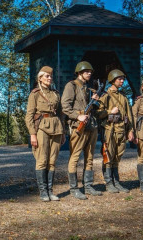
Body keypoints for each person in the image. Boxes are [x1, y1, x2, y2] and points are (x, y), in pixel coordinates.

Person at [61, 61, 102, 200]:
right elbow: (65, 107)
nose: (89, 73)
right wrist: (78, 116)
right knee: (75, 158)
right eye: (86, 71)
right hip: (78, 126)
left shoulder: (89, 89)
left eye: (90, 71)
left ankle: (88, 186)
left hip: (91, 126)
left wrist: (96, 101)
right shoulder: (71, 86)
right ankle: (74, 188)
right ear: (79, 72)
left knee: (89, 158)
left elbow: (96, 109)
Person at [25, 66, 65, 202]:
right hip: (42, 127)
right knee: (42, 160)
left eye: (50, 76)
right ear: (40, 78)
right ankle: (43, 192)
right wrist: (32, 134)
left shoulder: (55, 94)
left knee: (52, 161)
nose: (49, 78)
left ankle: (50, 191)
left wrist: (64, 132)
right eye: (46, 76)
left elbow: (60, 114)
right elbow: (29, 115)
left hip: (57, 127)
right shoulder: (35, 94)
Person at [97, 69, 134, 193]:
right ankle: (108, 183)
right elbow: (98, 113)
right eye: (120, 79)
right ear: (112, 80)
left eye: (123, 79)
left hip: (121, 130)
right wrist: (109, 112)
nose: (122, 81)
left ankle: (116, 182)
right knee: (109, 155)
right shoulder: (105, 96)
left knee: (117, 157)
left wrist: (130, 130)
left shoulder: (123, 96)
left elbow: (129, 115)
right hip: (109, 130)